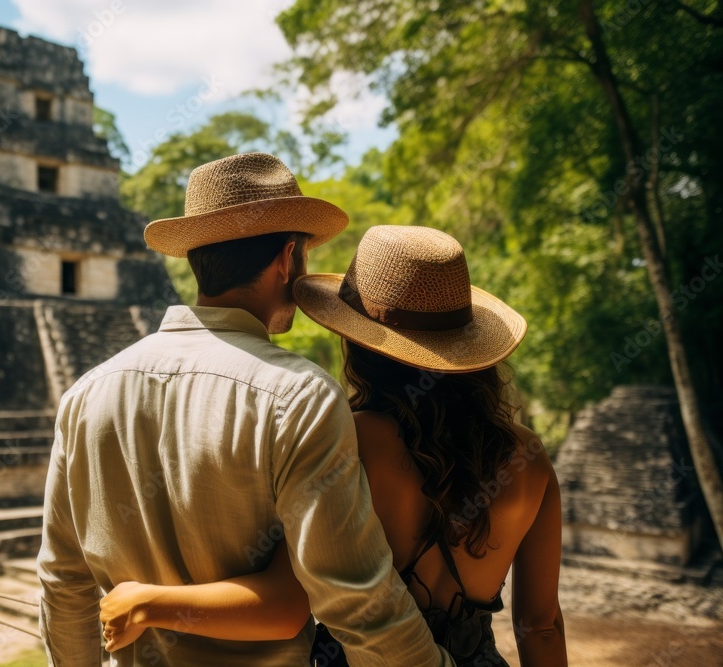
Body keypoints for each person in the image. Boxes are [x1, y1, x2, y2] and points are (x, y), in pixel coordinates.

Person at [37, 155, 453, 666]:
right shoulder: (299, 396)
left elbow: (64, 580)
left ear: (198, 259)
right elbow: (354, 598)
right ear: (287, 259)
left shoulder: (86, 395)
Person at [99, 225, 568, 666]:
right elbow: (541, 626)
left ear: (360, 343)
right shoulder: (528, 457)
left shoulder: (349, 435)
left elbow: (286, 599)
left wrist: (147, 601)